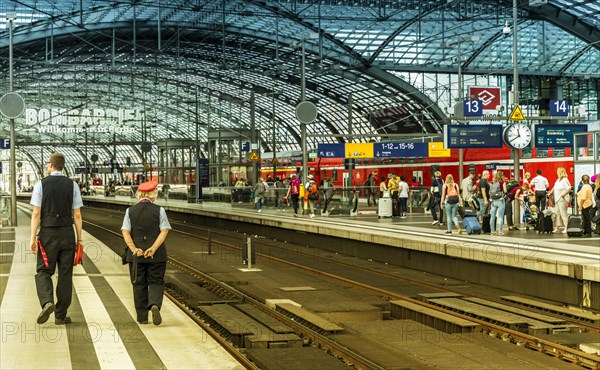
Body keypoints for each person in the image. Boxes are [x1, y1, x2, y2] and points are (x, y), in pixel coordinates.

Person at [30, 152, 84, 325]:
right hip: (67, 233)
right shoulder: (72, 185)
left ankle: (47, 302)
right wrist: (79, 238)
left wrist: (32, 237)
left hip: (48, 234)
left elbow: (36, 213)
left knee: (43, 271)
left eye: (48, 164)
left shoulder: (41, 184)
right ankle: (60, 315)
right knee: (65, 275)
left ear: (51, 165)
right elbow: (77, 215)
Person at [121, 180, 171, 325]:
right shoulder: (160, 210)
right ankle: (154, 304)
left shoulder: (130, 211)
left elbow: (125, 231)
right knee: (156, 281)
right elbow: (164, 230)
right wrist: (153, 248)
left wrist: (134, 249)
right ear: (153, 194)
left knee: (139, 284)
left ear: (139, 195)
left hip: (136, 257)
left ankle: (142, 317)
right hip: (157, 256)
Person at [547, 167, 571, 234]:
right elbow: (554, 187)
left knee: (563, 214)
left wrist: (564, 194)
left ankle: (566, 228)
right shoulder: (558, 180)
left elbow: (569, 188)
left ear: (560, 172)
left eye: (557, 171)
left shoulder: (565, 180)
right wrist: (550, 193)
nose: (556, 172)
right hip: (557, 199)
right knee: (556, 213)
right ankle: (556, 228)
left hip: (562, 199)